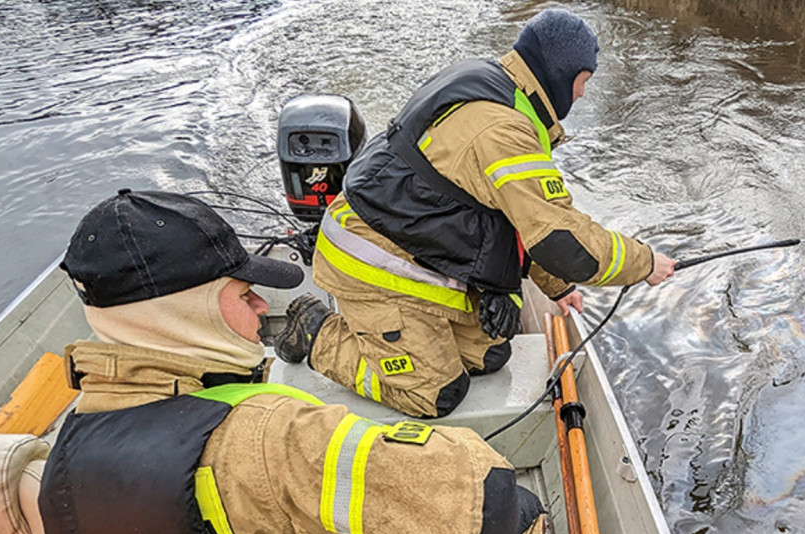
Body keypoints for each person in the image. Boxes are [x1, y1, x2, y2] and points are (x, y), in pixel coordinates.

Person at [39, 189, 544, 534]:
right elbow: (483, 503)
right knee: (520, 514)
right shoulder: (273, 438)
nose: (262, 306)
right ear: (191, 313)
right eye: (243, 294)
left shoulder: (63, 459)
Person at [274, 8, 676, 419]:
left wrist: (556, 288)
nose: (582, 95)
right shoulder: (504, 130)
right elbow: (562, 241)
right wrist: (644, 263)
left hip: (413, 249)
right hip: (371, 261)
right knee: (437, 394)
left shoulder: (497, 84)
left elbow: (522, 219)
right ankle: (317, 332)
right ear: (560, 74)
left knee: (491, 354)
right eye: (583, 81)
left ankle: (409, 340)